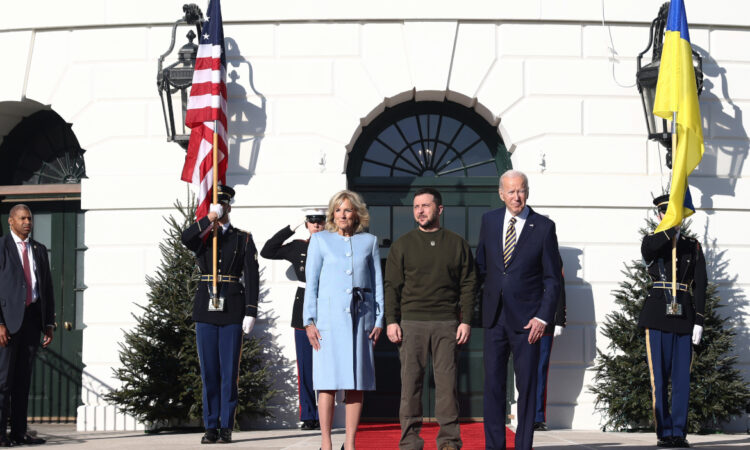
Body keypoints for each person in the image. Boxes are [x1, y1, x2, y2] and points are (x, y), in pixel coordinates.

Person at [384, 187, 477, 450]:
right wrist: (392, 320)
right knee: (410, 386)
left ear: (439, 209)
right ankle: (410, 441)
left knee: (447, 387)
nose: (420, 211)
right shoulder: (402, 245)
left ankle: (449, 441)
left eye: (426, 205)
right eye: (416, 207)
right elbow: (392, 286)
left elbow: (469, 284)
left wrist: (466, 320)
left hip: (447, 323)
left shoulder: (456, 243)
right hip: (411, 323)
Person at [476, 170, 562, 450]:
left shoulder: (544, 227)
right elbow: (482, 268)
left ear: (528, 191)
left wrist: (543, 317)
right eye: (511, 191)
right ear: (501, 194)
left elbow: (553, 278)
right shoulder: (488, 221)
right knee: (493, 387)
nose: (516, 196)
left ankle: (523, 445)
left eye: (521, 190)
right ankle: (495, 446)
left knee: (526, 387)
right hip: (494, 317)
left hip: (528, 322)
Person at [302, 190, 384, 450]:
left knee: (356, 383)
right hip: (327, 323)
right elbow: (311, 284)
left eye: (347, 210)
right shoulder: (320, 241)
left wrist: (379, 319)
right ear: (332, 214)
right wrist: (309, 321)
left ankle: (350, 443)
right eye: (338, 210)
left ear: (357, 213)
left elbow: (377, 284)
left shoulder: (369, 242)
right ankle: (326, 442)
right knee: (327, 383)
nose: (342, 215)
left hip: (361, 322)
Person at [181, 185, 260, 444]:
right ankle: (211, 426)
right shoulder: (203, 237)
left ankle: (226, 425)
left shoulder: (243, 238)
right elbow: (185, 237)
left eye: (223, 205)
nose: (220, 209)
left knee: (229, 371)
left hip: (232, 308)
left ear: (229, 206)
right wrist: (208, 220)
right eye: (217, 205)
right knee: (209, 373)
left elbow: (252, 276)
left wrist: (251, 311)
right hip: (206, 308)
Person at [639, 194, 706, 449]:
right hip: (657, 316)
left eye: (675, 214)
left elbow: (700, 285)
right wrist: (670, 229)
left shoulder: (692, 246)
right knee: (660, 378)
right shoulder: (652, 241)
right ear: (659, 216)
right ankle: (664, 432)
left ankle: (679, 432)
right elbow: (650, 249)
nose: (671, 218)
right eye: (666, 214)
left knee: (681, 379)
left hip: (684, 317)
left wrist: (699, 319)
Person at [260, 208, 326, 431]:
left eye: (320, 222)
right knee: (306, 366)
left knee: (327, 366)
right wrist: (292, 227)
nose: (317, 225)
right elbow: (267, 251)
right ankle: (309, 415)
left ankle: (327, 413)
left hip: (327, 308)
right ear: (307, 224)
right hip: (302, 309)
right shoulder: (298, 246)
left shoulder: (332, 244)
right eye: (312, 222)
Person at [0, 204, 54, 447]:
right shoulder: (1, 247)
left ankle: (19, 433)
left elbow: (47, 288)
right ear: (10, 221)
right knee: (3, 382)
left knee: (22, 382)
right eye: (22, 218)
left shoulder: (39, 250)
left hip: (32, 322)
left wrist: (49, 322)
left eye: (29, 218)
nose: (27, 222)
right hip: (7, 323)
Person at [533, 261, 566, 432]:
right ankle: (524, 413)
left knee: (540, 369)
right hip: (522, 321)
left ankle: (538, 417)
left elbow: (558, 289)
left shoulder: (553, 256)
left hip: (545, 322)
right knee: (523, 369)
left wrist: (559, 319)